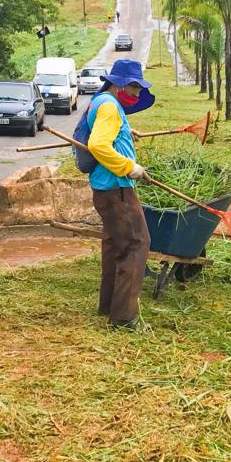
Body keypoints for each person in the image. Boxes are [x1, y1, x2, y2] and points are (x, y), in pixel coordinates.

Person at [86, 59, 155, 330]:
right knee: (137, 243)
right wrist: (130, 167)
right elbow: (98, 144)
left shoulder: (102, 101)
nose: (137, 93)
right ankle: (125, 317)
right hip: (117, 187)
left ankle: (109, 305)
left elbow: (105, 134)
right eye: (134, 87)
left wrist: (125, 132)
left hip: (105, 187)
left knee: (115, 244)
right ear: (119, 85)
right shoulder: (109, 107)